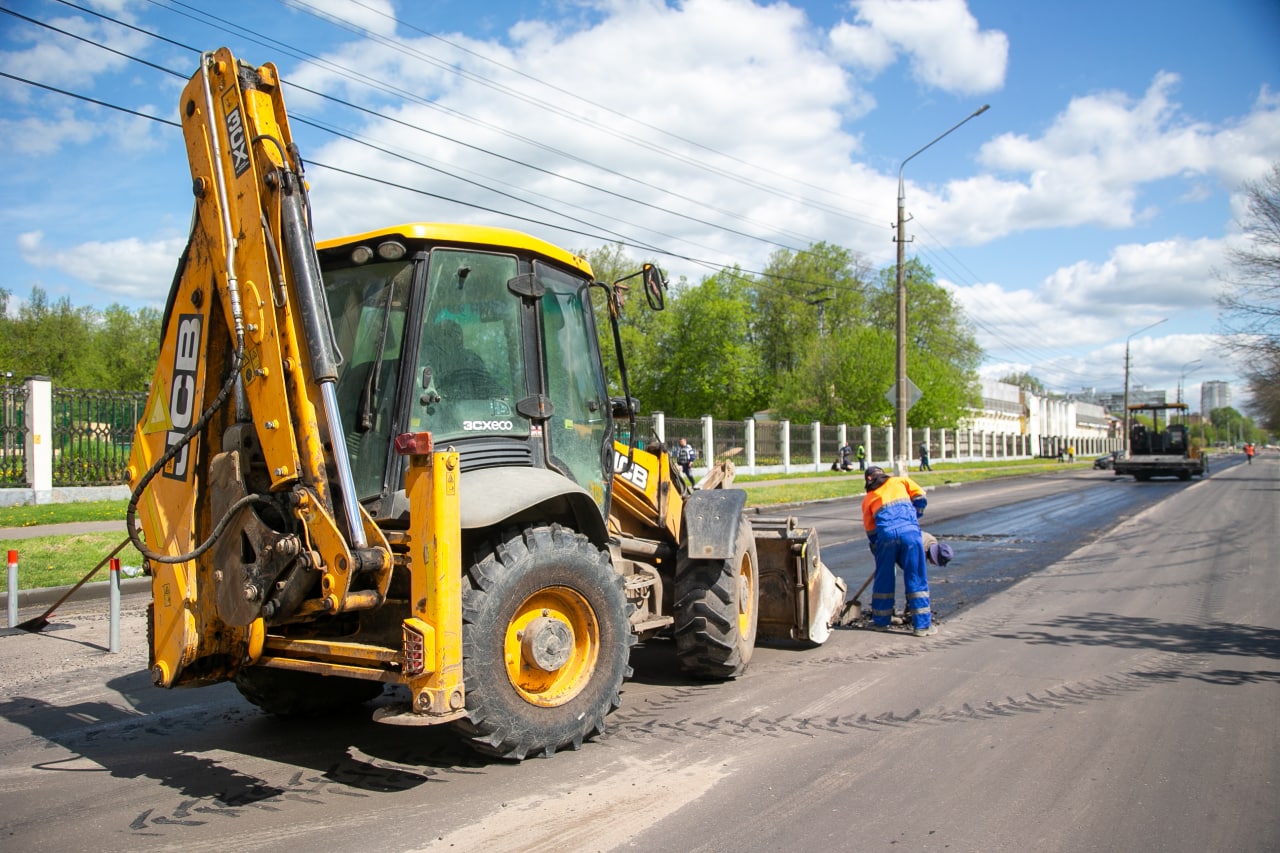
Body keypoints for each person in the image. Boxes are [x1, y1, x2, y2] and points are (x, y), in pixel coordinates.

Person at [861, 465, 936, 637]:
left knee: (884, 577)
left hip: (885, 537)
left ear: (868, 481)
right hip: (910, 534)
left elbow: (871, 532)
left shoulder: (868, 499)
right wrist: (914, 516)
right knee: (915, 575)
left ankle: (881, 621)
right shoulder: (900, 481)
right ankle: (922, 626)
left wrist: (879, 550)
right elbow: (920, 496)